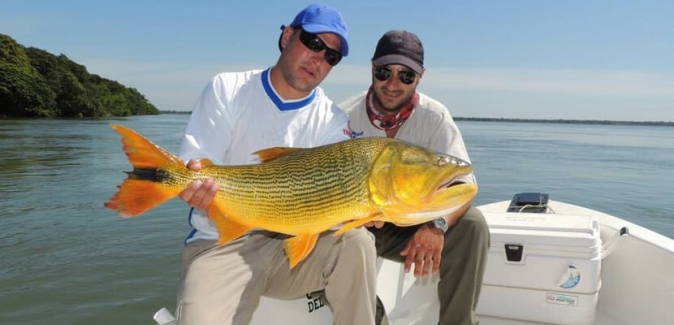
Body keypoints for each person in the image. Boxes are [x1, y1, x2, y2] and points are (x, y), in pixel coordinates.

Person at [174, 4, 377, 325]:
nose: (319, 58)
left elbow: (334, 198)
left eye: (331, 57)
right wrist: (191, 185)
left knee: (357, 242)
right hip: (220, 243)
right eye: (313, 43)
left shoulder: (333, 121)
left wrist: (369, 210)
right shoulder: (227, 89)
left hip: (294, 249)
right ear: (286, 37)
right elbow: (196, 167)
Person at [339, 30, 490, 325]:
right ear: (372, 68)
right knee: (347, 244)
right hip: (355, 222)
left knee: (473, 226)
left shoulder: (435, 116)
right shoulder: (343, 116)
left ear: (420, 77)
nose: (393, 84)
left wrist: (437, 225)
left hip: (409, 222)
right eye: (384, 72)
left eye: (406, 75)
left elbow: (466, 185)